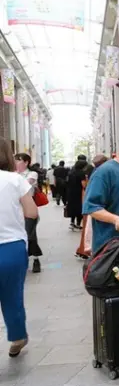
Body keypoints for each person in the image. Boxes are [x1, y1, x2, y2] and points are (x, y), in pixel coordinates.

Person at [0, 138, 38, 357]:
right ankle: (17, 336)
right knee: (12, 295)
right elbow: (32, 212)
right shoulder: (15, 180)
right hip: (11, 247)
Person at [76, 155, 110, 259]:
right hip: (98, 207)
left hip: (88, 201)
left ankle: (84, 249)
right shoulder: (101, 174)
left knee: (87, 228)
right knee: (90, 228)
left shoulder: (92, 172)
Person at [14, 154, 43, 274]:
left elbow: (26, 185)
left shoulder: (32, 174)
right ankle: (23, 260)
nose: (16, 162)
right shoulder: (12, 175)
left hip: (28, 211)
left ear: (26, 163)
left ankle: (35, 259)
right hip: (15, 210)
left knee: (29, 235)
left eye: (18, 160)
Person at [66, 160, 89, 230]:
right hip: (79, 192)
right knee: (79, 207)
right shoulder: (81, 173)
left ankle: (72, 222)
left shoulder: (70, 172)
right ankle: (78, 224)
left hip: (70, 191)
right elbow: (84, 184)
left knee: (72, 206)